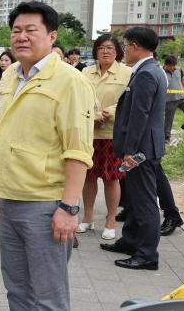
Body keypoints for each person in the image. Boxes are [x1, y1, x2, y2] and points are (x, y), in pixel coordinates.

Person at [0, 2, 94, 311]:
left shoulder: (70, 81)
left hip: (46, 205)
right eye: (17, 30)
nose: (21, 37)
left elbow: (78, 150)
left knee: (48, 297)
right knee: (17, 289)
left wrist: (69, 208)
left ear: (52, 36)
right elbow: (6, 136)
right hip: (11, 200)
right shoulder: (9, 77)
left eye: (31, 30)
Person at [101, 27, 170, 269]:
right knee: (133, 197)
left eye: (126, 45)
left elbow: (140, 115)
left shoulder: (147, 74)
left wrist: (130, 150)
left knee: (145, 202)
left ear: (136, 47)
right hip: (143, 147)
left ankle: (147, 255)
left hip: (141, 150)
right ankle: (130, 241)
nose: (124, 49)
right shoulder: (146, 70)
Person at [77, 34, 131, 241]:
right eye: (101, 48)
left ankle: (110, 220)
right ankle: (88, 218)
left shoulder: (127, 73)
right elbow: (81, 97)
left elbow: (128, 101)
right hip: (89, 131)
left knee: (111, 178)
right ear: (95, 51)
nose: (105, 51)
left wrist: (110, 113)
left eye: (109, 47)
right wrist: (94, 116)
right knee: (88, 176)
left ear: (117, 51)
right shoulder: (85, 72)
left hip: (112, 134)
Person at [163, 55, 184, 143]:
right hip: (169, 101)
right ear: (166, 65)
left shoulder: (179, 70)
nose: (173, 67)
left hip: (182, 97)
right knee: (168, 120)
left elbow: (183, 80)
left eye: (174, 65)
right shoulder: (161, 72)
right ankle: (166, 138)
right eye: (172, 65)